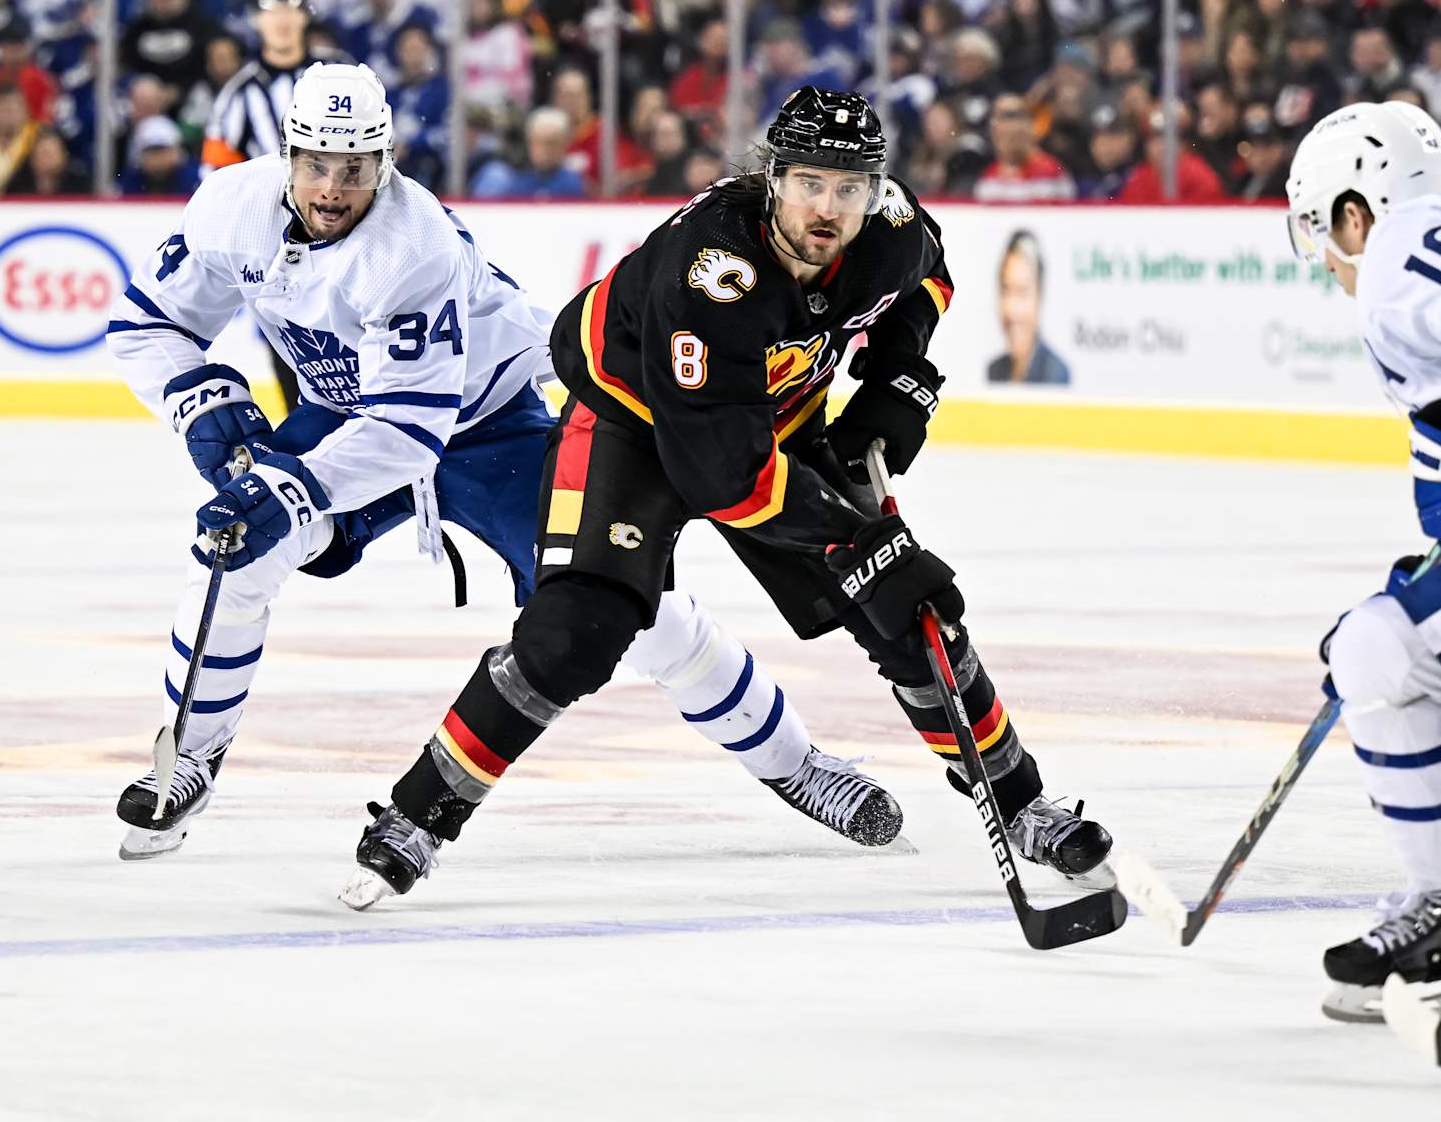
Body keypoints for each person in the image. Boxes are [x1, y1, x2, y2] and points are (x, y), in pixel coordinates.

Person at [104, 64, 902, 864]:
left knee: (632, 606)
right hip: (350, 415)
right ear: (287, 156)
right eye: (316, 164)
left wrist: (297, 487)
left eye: (356, 168)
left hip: (487, 425)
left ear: (386, 160)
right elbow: (147, 323)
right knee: (234, 545)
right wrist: (199, 397)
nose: (334, 189)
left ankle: (797, 764)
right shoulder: (227, 209)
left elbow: (408, 433)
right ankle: (190, 761)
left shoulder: (413, 246)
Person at [344, 89, 1115, 908]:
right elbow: (724, 475)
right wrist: (859, 547)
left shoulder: (887, 230)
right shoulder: (714, 274)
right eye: (811, 184)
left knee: (912, 618)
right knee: (574, 632)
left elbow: (930, 281)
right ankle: (419, 814)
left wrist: (900, 377)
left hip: (775, 413)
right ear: (773, 178)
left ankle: (1021, 802)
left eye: (849, 188)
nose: (829, 208)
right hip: (632, 421)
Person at [1285, 100, 1441, 1021]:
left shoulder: (1395, 268)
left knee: (1374, 653)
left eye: (1323, 228)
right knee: (1384, 646)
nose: (1331, 260)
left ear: (1357, 209)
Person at [200, 0, 318, 175]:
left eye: (289, 10)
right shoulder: (238, 91)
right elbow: (215, 168)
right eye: (272, 12)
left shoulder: (340, 70)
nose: (281, 21)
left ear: (304, 17)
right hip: (264, 201)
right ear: (257, 20)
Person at [987, 231, 1069, 385]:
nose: (1012, 310)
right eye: (1006, 290)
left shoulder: (1055, 374)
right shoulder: (994, 370)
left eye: (1022, 292)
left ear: (1039, 296)